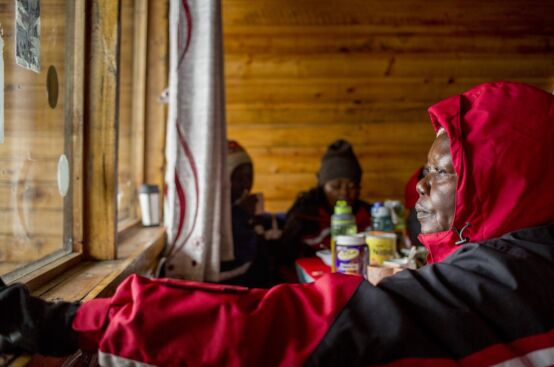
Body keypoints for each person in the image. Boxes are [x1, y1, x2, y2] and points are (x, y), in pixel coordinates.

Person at [1, 81, 554, 366]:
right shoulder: (525, 258)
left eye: (441, 170)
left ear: (505, 182)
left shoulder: (507, 278)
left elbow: (293, 330)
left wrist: (78, 319)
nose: (420, 184)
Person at [279, 139, 372, 265]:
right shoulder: (304, 214)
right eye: (336, 186)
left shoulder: (368, 214)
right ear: (323, 187)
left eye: (351, 186)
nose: (344, 193)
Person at [219, 141, 270, 288]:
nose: (246, 185)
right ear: (223, 180)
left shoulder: (241, 208)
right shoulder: (217, 216)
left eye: (249, 177)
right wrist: (242, 213)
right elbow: (241, 256)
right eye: (239, 179)